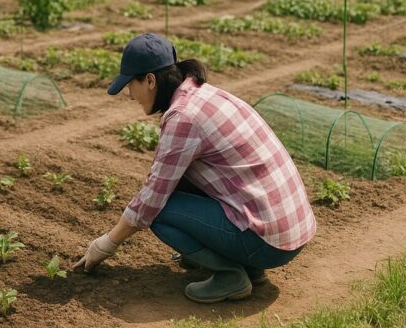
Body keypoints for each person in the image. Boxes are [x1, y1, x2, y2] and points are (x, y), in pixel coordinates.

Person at [73, 33, 316, 303]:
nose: (130, 95)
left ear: (150, 80)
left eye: (131, 85)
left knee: (159, 210)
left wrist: (107, 243)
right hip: (289, 230)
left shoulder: (183, 117)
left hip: (269, 243)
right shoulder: (205, 95)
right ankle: (251, 269)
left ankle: (230, 275)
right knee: (181, 184)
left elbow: (151, 200)